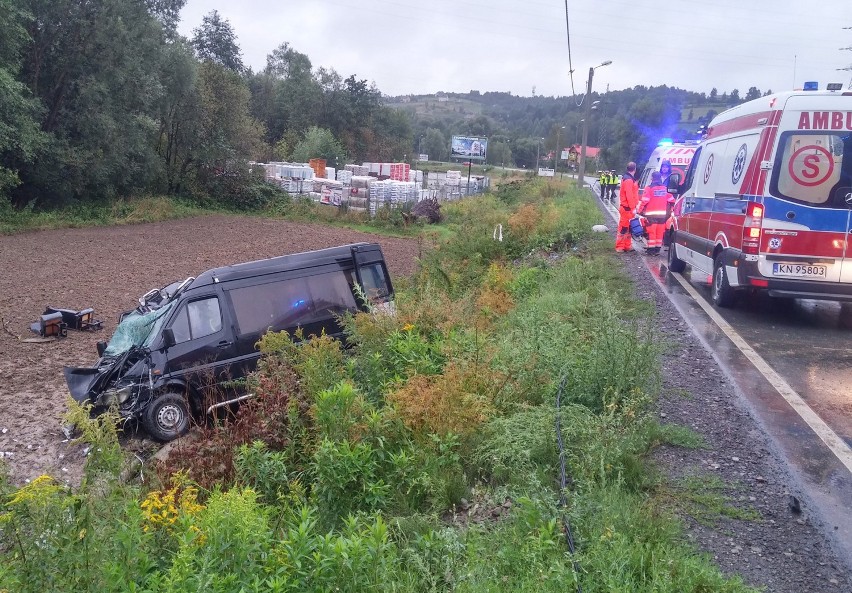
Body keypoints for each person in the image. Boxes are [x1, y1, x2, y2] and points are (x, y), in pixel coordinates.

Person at [637, 170, 675, 255]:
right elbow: (672, 200)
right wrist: (671, 209)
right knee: (660, 231)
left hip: (651, 214)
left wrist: (639, 211)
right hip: (662, 215)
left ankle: (651, 250)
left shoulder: (649, 188)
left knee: (652, 232)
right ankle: (657, 249)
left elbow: (645, 201)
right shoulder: (665, 189)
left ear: (652, 178)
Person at [616, 162, 640, 252]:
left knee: (629, 228)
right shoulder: (629, 180)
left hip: (627, 208)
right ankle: (620, 246)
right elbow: (629, 195)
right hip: (627, 208)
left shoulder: (627, 178)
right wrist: (633, 207)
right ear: (635, 169)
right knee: (623, 228)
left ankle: (627, 245)